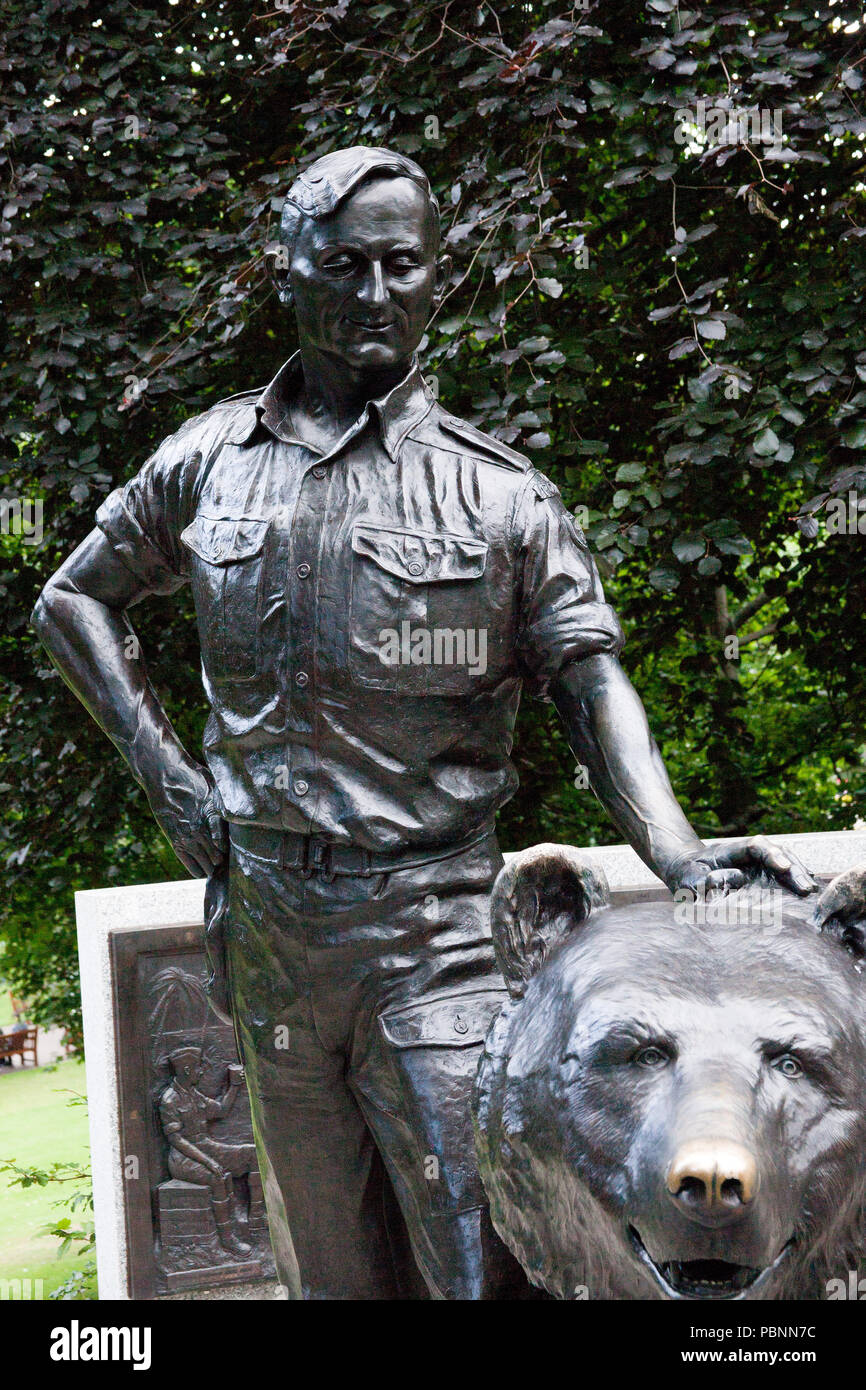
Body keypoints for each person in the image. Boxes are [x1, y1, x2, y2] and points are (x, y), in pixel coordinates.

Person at [32, 146, 816, 1299]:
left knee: (476, 1263)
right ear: (286, 272)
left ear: (433, 277)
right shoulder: (206, 464)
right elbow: (71, 597)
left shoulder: (497, 494)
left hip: (432, 933)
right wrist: (169, 782)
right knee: (328, 1269)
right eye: (343, 264)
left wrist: (676, 849)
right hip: (268, 932)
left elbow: (590, 678)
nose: (376, 291)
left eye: (402, 264)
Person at [159, 1046, 259, 1260]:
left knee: (253, 1154)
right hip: (183, 1158)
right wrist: (209, 1162)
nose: (203, 1071)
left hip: (206, 1146)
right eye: (199, 1067)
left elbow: (221, 1110)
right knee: (218, 1177)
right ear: (187, 1070)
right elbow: (176, 1140)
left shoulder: (193, 1094)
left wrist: (234, 1085)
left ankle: (259, 1218)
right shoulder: (170, 1100)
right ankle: (228, 1239)